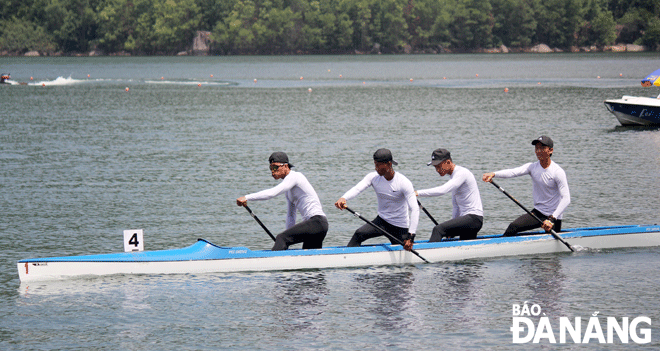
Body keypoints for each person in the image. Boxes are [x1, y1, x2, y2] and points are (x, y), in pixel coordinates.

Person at [236, 152, 328, 250]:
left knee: (280, 238)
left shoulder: (295, 176)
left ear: (286, 166)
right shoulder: (288, 190)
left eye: (275, 167)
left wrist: (247, 197)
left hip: (316, 222)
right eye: (270, 168)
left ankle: (271, 263)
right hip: (318, 227)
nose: (272, 171)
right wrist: (287, 239)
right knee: (310, 260)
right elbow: (291, 215)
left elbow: (272, 193)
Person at [482, 135, 570, 236]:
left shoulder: (558, 172)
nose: (538, 151)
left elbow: (566, 198)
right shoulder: (532, 167)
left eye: (542, 148)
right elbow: (513, 172)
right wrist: (494, 174)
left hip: (554, 216)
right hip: (538, 213)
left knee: (551, 237)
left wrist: (552, 218)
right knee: (513, 226)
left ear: (550, 150)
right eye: (536, 148)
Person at [335, 148, 419, 250]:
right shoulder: (373, 177)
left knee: (403, 252)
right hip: (381, 222)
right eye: (375, 164)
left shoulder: (403, 182)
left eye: (378, 165)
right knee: (358, 234)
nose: (375, 168)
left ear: (388, 164)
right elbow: (357, 188)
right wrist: (344, 198)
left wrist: (411, 236)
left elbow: (415, 209)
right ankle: (346, 258)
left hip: (399, 226)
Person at [416, 148, 483, 241]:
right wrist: (451, 231)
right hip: (468, 221)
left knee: (438, 230)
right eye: (435, 167)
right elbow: (456, 207)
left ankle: (430, 253)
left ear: (448, 162)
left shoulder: (461, 173)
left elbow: (442, 190)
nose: (437, 170)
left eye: (438, 166)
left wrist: (417, 193)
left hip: (473, 219)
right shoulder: (454, 177)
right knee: (464, 248)